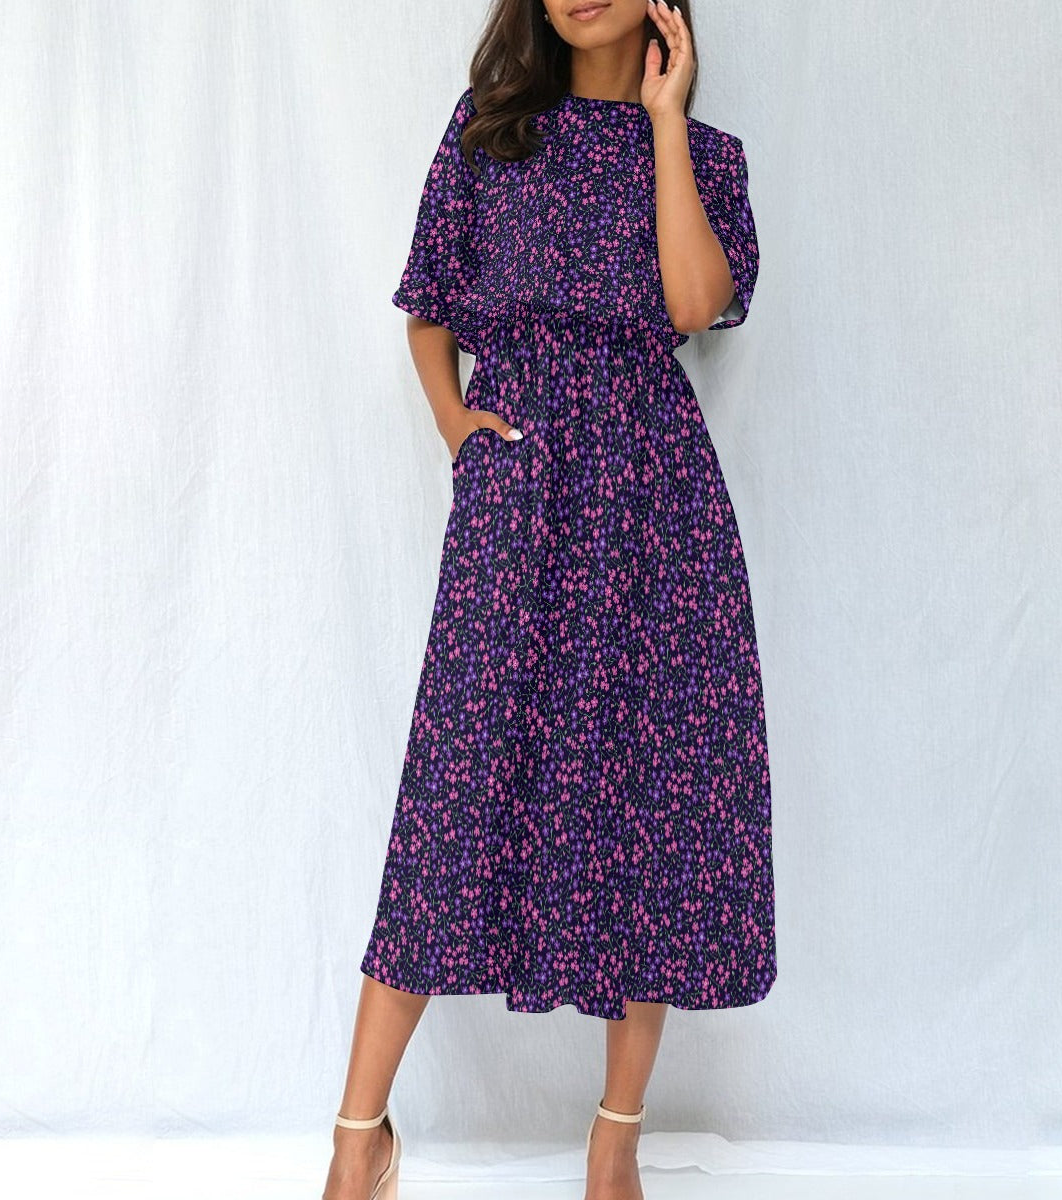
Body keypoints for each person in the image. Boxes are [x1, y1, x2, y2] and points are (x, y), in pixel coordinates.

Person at [322, 2, 776, 1198]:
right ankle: (359, 1137)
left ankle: (616, 1137)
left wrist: (666, 122)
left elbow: (694, 305)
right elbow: (431, 304)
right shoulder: (490, 132)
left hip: (658, 508)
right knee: (453, 794)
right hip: (518, 498)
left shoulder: (707, 157)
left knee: (649, 808)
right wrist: (456, 427)